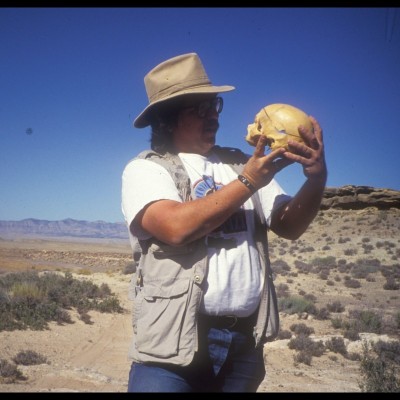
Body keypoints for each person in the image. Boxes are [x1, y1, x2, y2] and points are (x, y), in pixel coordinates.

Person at [121, 52, 327, 392]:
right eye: (198, 109)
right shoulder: (146, 169)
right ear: (167, 120)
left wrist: (316, 179)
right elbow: (175, 227)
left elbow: (288, 226)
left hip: (243, 343)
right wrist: (248, 182)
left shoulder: (241, 165)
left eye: (213, 105)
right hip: (173, 342)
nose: (211, 116)